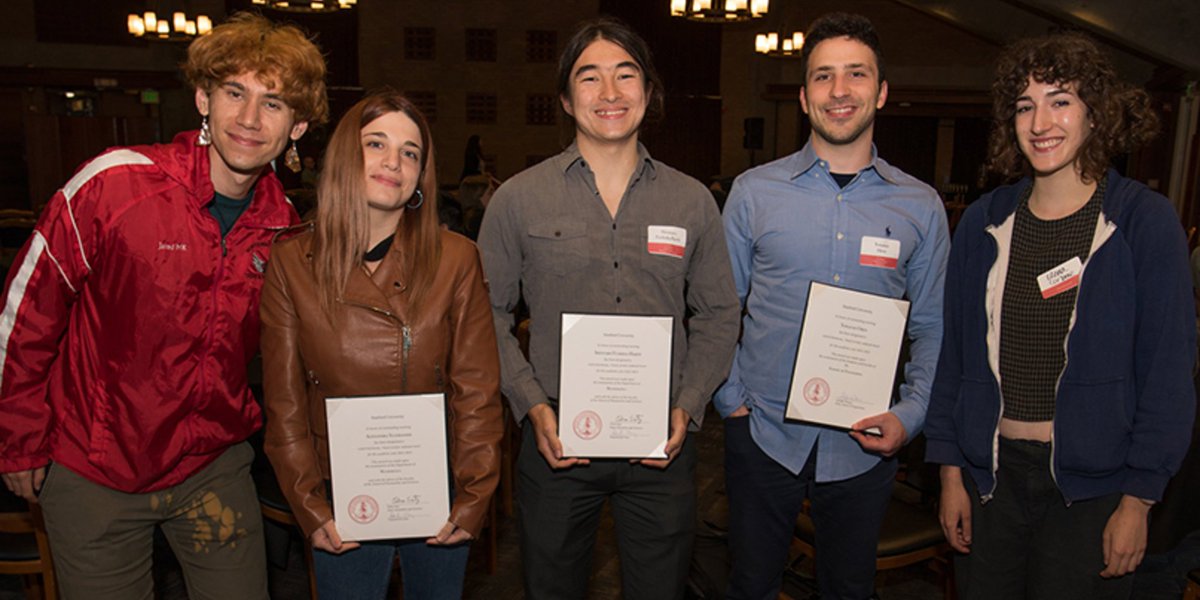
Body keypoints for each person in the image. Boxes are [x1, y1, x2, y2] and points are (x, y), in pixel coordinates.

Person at [0, 12, 326, 599]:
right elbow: (27, 312)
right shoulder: (116, 184)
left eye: (273, 103)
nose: (250, 119)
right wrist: (19, 434)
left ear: (297, 127)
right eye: (235, 93)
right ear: (203, 97)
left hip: (212, 463)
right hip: (95, 463)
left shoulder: (286, 232)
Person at [925, 31, 1196, 599]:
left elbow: (1168, 373)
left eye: (1061, 99)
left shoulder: (1143, 223)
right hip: (990, 481)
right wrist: (950, 472)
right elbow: (955, 359)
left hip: (1092, 491)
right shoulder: (983, 223)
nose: (1041, 121)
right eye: (1025, 105)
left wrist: (1139, 499)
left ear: (1096, 113)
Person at [477, 17, 740, 600]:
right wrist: (531, 405)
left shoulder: (692, 200)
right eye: (590, 78)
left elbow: (720, 313)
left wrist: (689, 404)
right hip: (557, 445)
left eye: (627, 75)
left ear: (648, 92)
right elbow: (484, 314)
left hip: (662, 448)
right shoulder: (517, 200)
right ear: (568, 100)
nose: (611, 93)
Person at [715, 12, 950, 600]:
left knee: (850, 588)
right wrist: (733, 404)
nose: (839, 91)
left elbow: (932, 327)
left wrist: (910, 414)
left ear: (882, 91)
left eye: (856, 75)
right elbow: (719, 308)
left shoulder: (920, 207)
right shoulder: (753, 193)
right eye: (823, 77)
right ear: (803, 96)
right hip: (763, 433)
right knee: (750, 585)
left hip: (865, 444)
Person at [259, 90, 503, 600]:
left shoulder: (457, 259)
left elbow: (477, 392)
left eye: (410, 152)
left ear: (421, 176)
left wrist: (473, 496)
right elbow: (286, 408)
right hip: (339, 500)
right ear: (347, 155)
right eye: (376, 144)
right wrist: (310, 507)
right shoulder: (291, 263)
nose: (394, 161)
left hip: (438, 496)